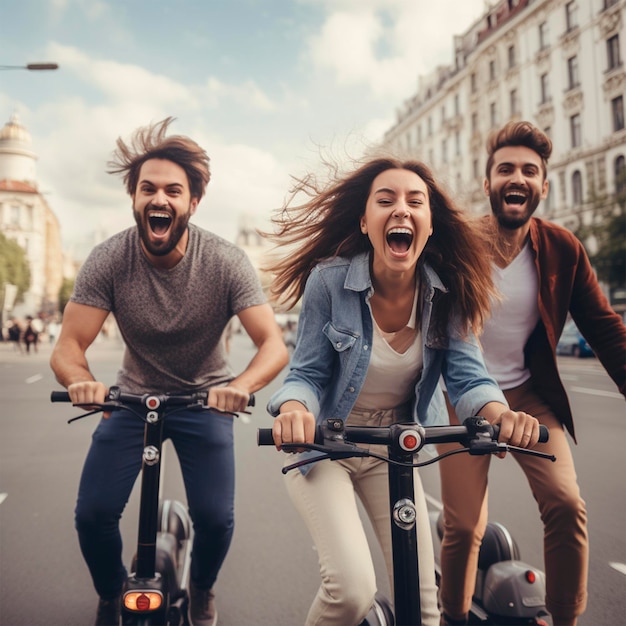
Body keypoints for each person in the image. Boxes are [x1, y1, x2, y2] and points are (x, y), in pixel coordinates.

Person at [263, 154, 542, 626]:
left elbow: (470, 377)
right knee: (351, 591)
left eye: (416, 201)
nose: (401, 209)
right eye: (385, 199)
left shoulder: (448, 293)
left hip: (390, 449)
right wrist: (293, 410)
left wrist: (501, 415)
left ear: (429, 225)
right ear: (365, 221)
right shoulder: (329, 282)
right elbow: (306, 374)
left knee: (423, 606)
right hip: (322, 444)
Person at [50, 117, 289, 626]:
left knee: (215, 519)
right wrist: (80, 381)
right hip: (131, 399)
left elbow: (272, 345)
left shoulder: (225, 261)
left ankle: (201, 588)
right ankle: (112, 591)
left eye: (173, 191)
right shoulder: (109, 259)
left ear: (193, 203)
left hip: (206, 400)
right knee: (92, 515)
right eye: (148, 189)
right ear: (134, 199)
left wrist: (240, 387)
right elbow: (68, 346)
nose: (160, 199)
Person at [436, 121, 626, 626]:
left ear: (543, 185)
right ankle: (453, 617)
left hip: (528, 394)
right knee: (463, 527)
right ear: (487, 183)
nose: (516, 178)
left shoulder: (563, 248)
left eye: (529, 171)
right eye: (505, 170)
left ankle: (564, 620)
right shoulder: (460, 244)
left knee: (566, 504)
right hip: (461, 396)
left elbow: (606, 329)